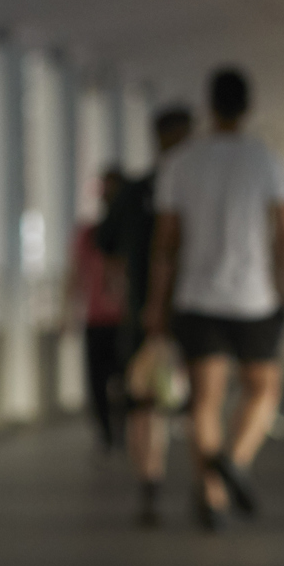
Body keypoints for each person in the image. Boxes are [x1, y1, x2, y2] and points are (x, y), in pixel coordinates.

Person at [145, 68, 284, 530]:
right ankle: (233, 463)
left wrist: (155, 306)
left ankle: (213, 496)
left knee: (205, 400)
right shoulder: (267, 161)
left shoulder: (181, 162)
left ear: (211, 105)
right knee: (263, 391)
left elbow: (165, 245)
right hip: (253, 298)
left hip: (196, 297)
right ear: (247, 107)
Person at [97, 106, 194, 525]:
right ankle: (208, 487)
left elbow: (108, 247)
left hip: (143, 313)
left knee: (144, 404)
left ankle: (151, 484)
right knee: (198, 400)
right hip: (195, 309)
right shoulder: (198, 188)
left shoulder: (134, 192)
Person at [66, 168, 127, 451]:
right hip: (96, 318)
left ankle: (125, 431)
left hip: (127, 320)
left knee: (127, 380)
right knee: (98, 382)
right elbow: (74, 274)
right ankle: (107, 433)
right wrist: (67, 310)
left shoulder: (132, 232)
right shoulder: (87, 233)